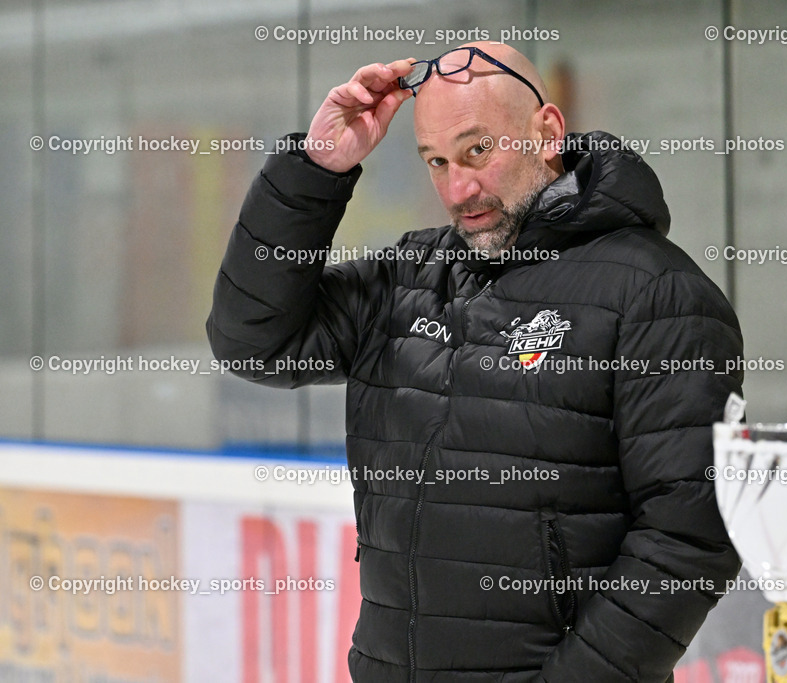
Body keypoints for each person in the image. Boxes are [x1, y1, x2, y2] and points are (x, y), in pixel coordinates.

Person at [207, 41, 744, 683]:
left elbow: (688, 536)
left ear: (546, 132)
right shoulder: (408, 278)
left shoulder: (658, 296)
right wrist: (315, 172)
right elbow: (255, 341)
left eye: (477, 151)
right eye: (435, 161)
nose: (457, 188)